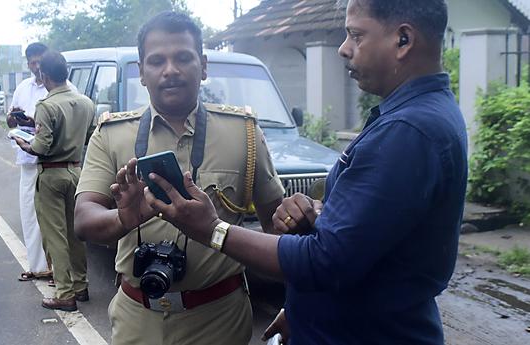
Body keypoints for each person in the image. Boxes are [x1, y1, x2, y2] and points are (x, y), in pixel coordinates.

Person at [134, 0, 468, 344]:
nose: (343, 48)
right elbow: (361, 244)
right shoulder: (412, 117)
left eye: (356, 35)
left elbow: (326, 261)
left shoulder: (408, 131)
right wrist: (301, 298)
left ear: (403, 40)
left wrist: (213, 229)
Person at [74, 11, 285, 345]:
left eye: (182, 58)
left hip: (220, 320)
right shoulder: (111, 134)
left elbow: (278, 228)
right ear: (142, 72)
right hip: (136, 319)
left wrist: (297, 301)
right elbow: (84, 221)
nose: (170, 70)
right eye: (156, 61)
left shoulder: (243, 132)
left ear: (203, 66)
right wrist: (123, 219)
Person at [14, 50, 95, 312]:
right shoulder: (86, 103)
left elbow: (41, 146)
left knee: (54, 237)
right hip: (76, 172)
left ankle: (64, 293)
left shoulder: (46, 105)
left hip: (51, 175)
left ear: (44, 75)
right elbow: (88, 137)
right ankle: (81, 286)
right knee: (76, 234)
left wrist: (22, 141)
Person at [7, 42, 53, 283]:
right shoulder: (23, 88)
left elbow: (59, 124)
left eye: (40, 61)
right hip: (27, 160)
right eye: (32, 62)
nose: (36, 67)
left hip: (52, 161)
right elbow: (11, 121)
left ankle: (58, 269)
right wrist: (13, 119)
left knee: (53, 218)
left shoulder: (59, 87)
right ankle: (37, 267)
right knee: (29, 214)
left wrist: (34, 121)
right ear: (27, 63)